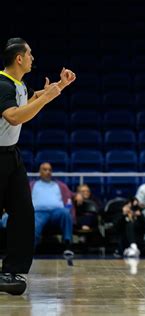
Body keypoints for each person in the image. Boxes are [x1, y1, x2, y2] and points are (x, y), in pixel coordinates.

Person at [0, 37, 75, 295]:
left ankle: (10, 271)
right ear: (19, 58)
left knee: (23, 213)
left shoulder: (17, 84)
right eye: (30, 54)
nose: (34, 58)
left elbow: (30, 100)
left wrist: (59, 86)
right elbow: (13, 116)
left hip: (11, 155)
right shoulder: (2, 84)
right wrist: (45, 99)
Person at [30, 163, 78, 256]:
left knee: (66, 213)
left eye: (50, 170)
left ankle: (67, 246)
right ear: (40, 172)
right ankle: (31, 249)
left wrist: (78, 195)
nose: (48, 172)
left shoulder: (60, 185)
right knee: (33, 223)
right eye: (45, 169)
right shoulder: (32, 185)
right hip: (38, 213)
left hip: (57, 212)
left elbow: (71, 194)